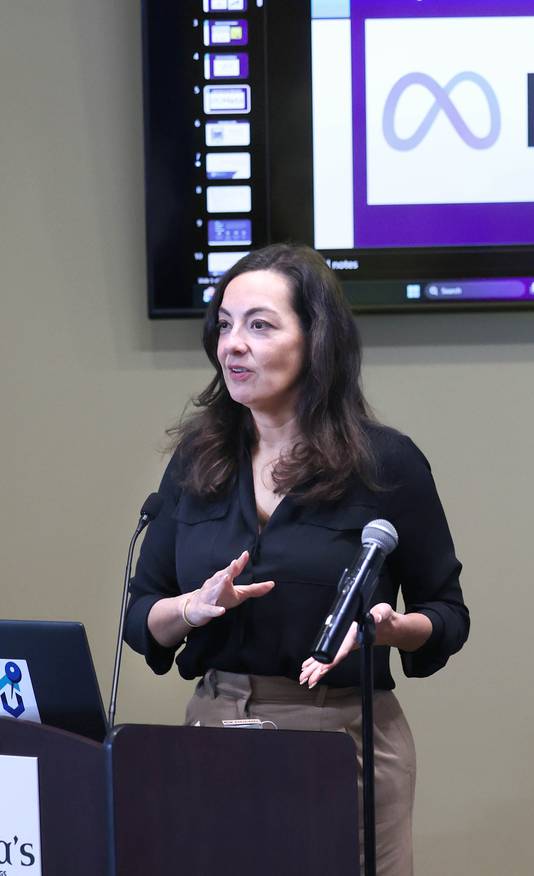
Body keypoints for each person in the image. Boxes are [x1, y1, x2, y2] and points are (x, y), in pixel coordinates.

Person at [124, 243, 469, 876]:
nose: (233, 344)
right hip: (213, 731)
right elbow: (142, 615)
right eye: (224, 325)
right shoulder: (196, 463)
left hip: (343, 739)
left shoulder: (384, 464)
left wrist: (392, 630)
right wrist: (192, 608)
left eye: (259, 324)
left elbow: (446, 613)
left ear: (317, 341)